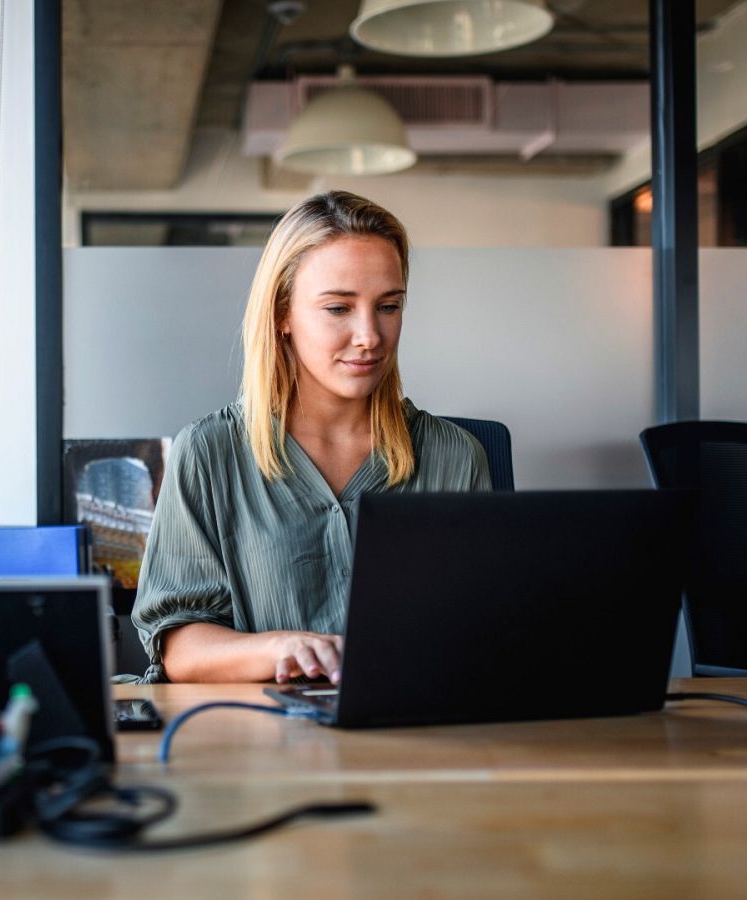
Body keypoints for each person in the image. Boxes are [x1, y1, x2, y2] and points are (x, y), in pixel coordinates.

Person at [131, 190, 491, 684]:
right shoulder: (210, 453)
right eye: (339, 308)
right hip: (265, 742)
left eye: (388, 306)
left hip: (417, 736)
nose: (370, 335)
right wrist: (284, 647)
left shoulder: (455, 457)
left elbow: (486, 631)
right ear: (283, 313)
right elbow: (179, 647)